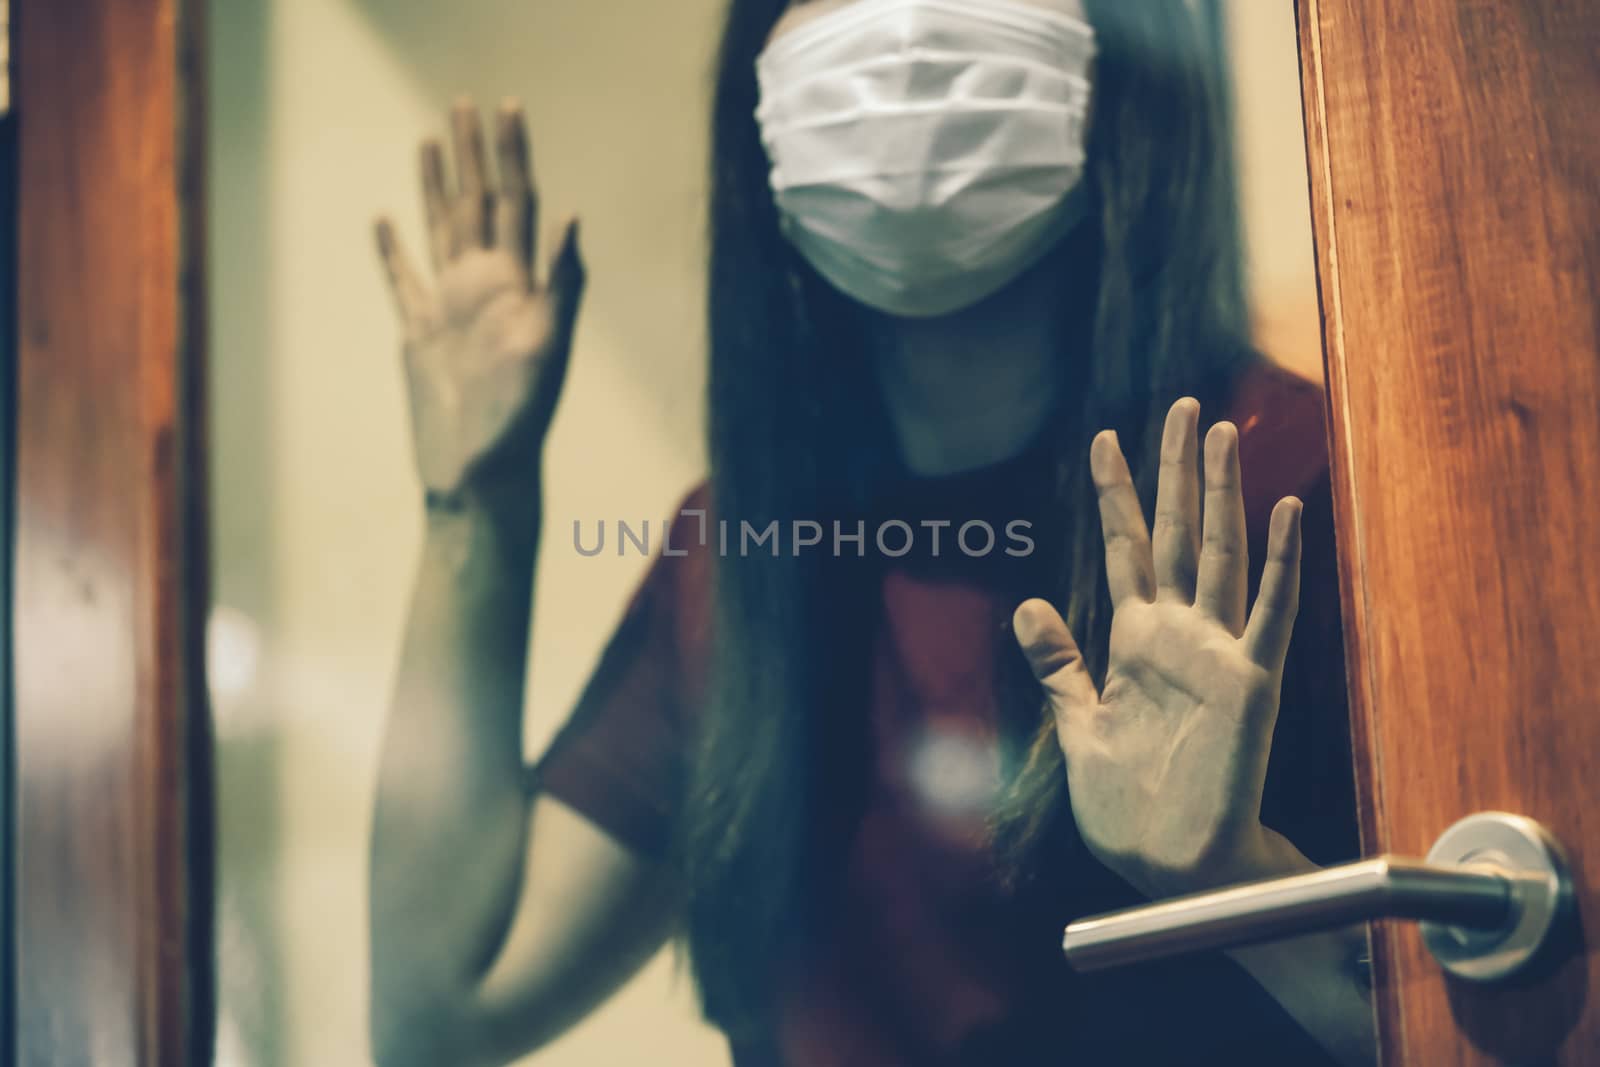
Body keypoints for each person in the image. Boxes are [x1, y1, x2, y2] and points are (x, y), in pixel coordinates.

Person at [367, 0, 1372, 1064]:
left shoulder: (1291, 484)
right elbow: (439, 1017)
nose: (902, 33)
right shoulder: (735, 559)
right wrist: (475, 498)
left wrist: (1237, 879)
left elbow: (1521, 1018)